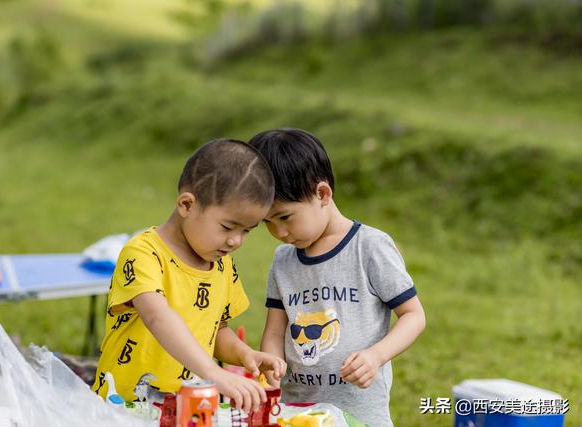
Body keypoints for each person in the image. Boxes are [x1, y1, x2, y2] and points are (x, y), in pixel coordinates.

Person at [92, 138, 286, 413]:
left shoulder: (222, 266)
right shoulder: (143, 253)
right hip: (122, 408)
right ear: (186, 205)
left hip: (190, 410)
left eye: (247, 231)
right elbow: (157, 316)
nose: (236, 241)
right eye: (228, 226)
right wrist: (213, 373)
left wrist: (245, 354)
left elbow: (216, 332)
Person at [249, 129, 426, 427]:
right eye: (266, 222)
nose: (278, 232)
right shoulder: (283, 260)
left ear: (322, 194)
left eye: (284, 217)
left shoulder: (369, 247)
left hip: (361, 416)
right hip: (299, 414)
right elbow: (276, 331)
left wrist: (376, 356)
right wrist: (271, 366)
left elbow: (414, 315)